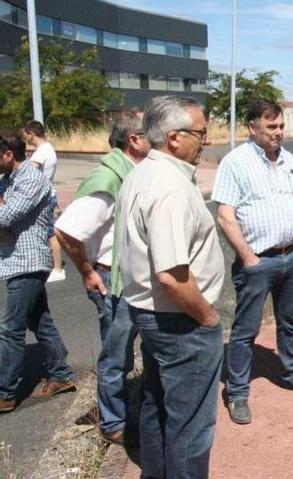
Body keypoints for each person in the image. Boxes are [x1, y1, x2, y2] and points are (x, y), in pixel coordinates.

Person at [116, 96, 224, 477]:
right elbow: (171, 274)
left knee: (157, 407)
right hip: (182, 322)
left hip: (155, 317)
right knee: (191, 427)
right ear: (175, 138)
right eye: (201, 133)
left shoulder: (144, 172)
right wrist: (208, 318)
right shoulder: (169, 187)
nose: (206, 141)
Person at [213, 100, 293, 426]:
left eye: (280, 127)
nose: (278, 133)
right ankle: (237, 392)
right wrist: (248, 257)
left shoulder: (288, 158)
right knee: (245, 331)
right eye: (271, 127)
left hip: (292, 258)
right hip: (258, 262)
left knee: (290, 322)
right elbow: (225, 215)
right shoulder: (235, 162)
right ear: (252, 127)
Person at [53, 111, 149, 444]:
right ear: (135, 140)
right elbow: (67, 231)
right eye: (154, 131)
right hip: (114, 281)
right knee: (116, 356)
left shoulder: (136, 173)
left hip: (138, 280)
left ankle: (133, 412)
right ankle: (114, 424)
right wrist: (87, 271)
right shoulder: (109, 179)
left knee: (138, 350)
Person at [0, 130, 76, 414]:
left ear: (9, 154)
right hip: (15, 259)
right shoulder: (8, 180)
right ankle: (61, 374)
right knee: (40, 322)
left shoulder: (31, 179)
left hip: (29, 261)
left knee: (10, 329)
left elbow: (6, 217)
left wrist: (4, 211)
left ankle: (5, 393)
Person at [23, 121, 65, 283]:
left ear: (30, 134)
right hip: (48, 195)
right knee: (46, 231)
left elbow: (28, 174)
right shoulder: (49, 149)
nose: (25, 137)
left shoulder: (42, 152)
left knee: (50, 233)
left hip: (43, 198)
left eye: (25, 134)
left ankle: (58, 269)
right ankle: (50, 264)